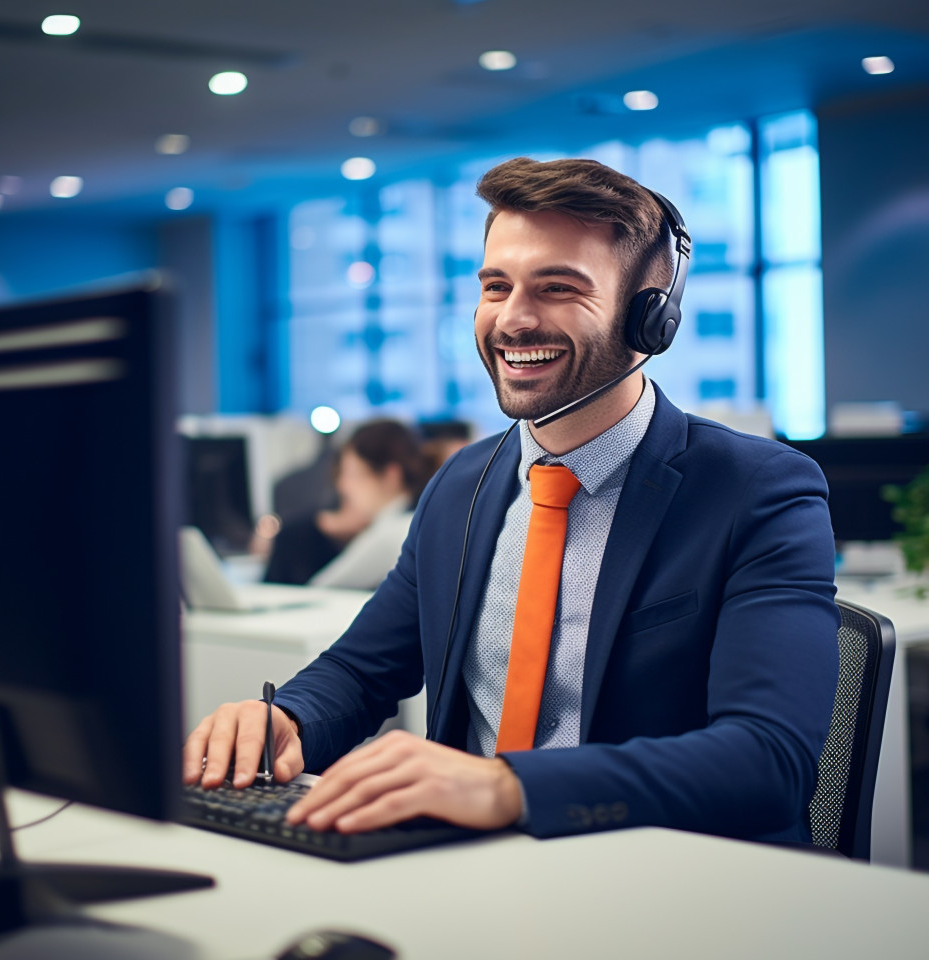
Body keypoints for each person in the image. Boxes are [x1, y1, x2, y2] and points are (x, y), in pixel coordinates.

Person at [184, 156, 839, 845]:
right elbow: (361, 668)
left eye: (558, 288)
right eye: (496, 286)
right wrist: (285, 719)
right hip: (473, 869)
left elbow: (769, 760)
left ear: (651, 318)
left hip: (666, 876)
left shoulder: (759, 490)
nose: (513, 320)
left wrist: (507, 786)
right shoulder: (463, 484)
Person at [264, 419, 428, 590]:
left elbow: (320, 589)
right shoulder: (418, 519)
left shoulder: (394, 530)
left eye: (353, 474)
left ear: (391, 475)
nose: (343, 486)